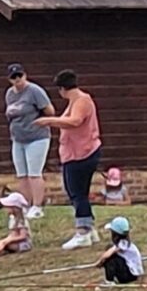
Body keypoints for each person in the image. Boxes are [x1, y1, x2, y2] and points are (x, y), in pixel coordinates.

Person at [38, 69, 103, 251]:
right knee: (76, 191)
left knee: (77, 193)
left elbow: (75, 121)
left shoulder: (82, 101)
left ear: (62, 89)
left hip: (81, 154)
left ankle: (82, 231)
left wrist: (49, 121)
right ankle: (89, 228)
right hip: (73, 154)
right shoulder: (75, 102)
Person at [2, 64, 53, 218]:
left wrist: (41, 120)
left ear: (25, 75)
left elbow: (49, 110)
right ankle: (25, 205)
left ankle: (37, 206)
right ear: (10, 80)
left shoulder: (34, 91)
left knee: (34, 173)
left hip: (36, 137)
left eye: (20, 76)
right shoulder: (9, 94)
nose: (18, 80)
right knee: (22, 174)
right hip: (18, 138)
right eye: (14, 77)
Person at [96, 216, 143, 284]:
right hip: (131, 273)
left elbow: (107, 255)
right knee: (109, 249)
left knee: (110, 258)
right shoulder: (124, 243)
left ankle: (109, 281)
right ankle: (113, 278)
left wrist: (99, 262)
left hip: (131, 275)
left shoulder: (123, 243)